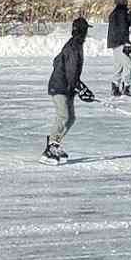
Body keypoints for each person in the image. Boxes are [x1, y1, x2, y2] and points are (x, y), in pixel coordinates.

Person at [41, 17, 94, 164]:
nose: (86, 34)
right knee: (63, 116)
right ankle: (50, 148)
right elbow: (70, 72)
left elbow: (65, 67)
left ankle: (55, 144)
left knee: (70, 118)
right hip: (60, 86)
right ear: (81, 31)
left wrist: (81, 88)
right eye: (85, 30)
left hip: (67, 87)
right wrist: (79, 87)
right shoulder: (73, 46)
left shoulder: (76, 45)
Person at [107, 0, 131, 97]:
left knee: (118, 66)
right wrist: (126, 42)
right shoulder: (122, 12)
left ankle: (115, 87)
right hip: (120, 42)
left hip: (114, 43)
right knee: (128, 65)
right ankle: (126, 87)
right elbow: (122, 28)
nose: (126, 1)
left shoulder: (115, 12)